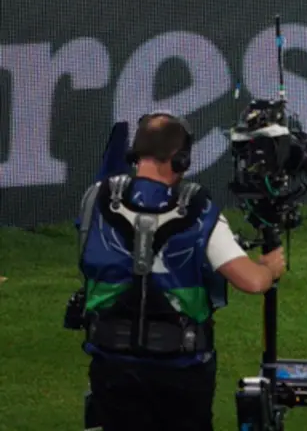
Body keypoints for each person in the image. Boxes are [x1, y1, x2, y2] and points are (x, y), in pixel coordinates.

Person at [75, 112, 286, 431]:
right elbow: (252, 282)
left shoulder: (95, 199)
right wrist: (269, 268)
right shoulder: (198, 209)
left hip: (111, 363)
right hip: (180, 369)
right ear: (181, 158)